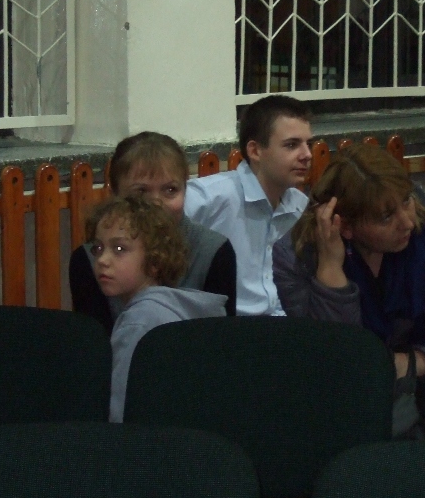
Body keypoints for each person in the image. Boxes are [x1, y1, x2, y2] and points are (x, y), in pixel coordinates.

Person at [273, 144, 425, 436]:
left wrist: (416, 361)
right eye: (385, 217)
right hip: (349, 409)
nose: (408, 222)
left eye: (406, 200)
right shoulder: (297, 257)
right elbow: (334, 362)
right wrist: (330, 271)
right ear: (345, 226)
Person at [69, 132, 236, 331]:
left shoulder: (214, 251)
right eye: (141, 192)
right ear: (114, 194)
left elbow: (221, 338)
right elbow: (95, 342)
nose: (157, 203)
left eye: (170, 190)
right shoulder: (89, 260)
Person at [89, 196, 226, 422]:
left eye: (119, 248)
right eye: (98, 248)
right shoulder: (177, 309)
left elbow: (120, 409)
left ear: (155, 261)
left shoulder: (139, 321)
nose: (103, 259)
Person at [185, 95, 313, 316]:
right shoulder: (208, 198)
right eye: (292, 145)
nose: (307, 155)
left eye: (308, 144)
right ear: (255, 151)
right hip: (225, 329)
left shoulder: (300, 206)